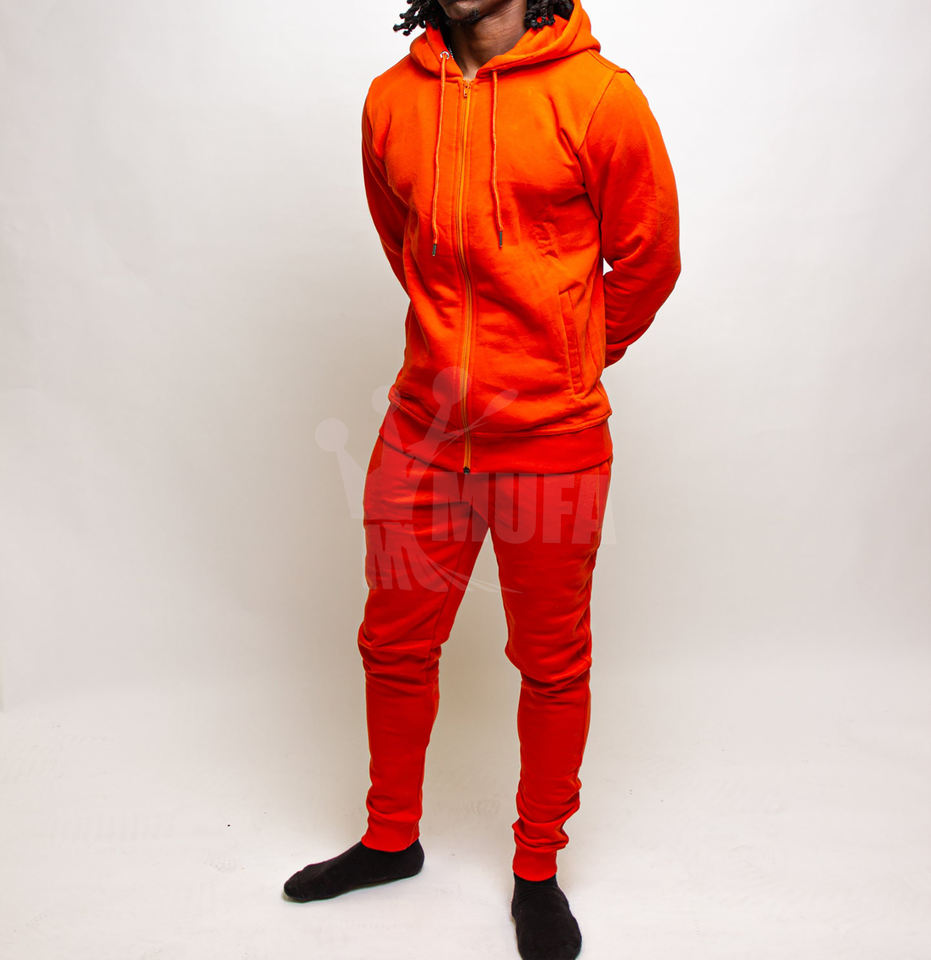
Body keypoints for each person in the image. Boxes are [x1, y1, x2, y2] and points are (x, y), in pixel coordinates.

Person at [283, 1, 680, 957]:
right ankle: (390, 839)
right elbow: (405, 244)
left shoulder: (599, 98)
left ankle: (536, 869)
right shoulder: (390, 100)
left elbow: (649, 259)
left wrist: (565, 360)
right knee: (393, 643)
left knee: (551, 662)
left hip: (552, 439)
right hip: (421, 432)